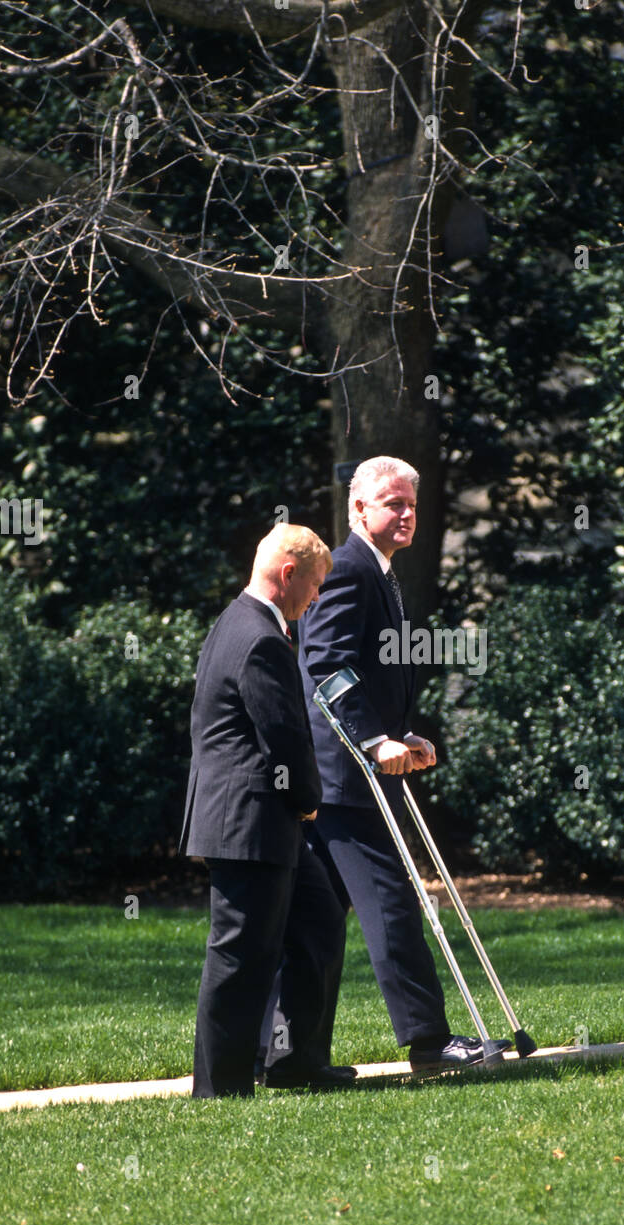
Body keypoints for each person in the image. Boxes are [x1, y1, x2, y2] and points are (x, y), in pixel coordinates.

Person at [297, 456, 505, 1071]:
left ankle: (286, 1055)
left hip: (348, 769)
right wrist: (371, 742)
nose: (408, 513)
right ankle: (431, 1044)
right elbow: (326, 665)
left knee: (315, 919)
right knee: (391, 902)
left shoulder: (378, 572)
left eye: (412, 503)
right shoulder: (351, 569)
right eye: (394, 503)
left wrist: (400, 733)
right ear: (359, 509)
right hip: (349, 774)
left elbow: (359, 671)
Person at [180, 523, 353, 1097]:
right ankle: (220, 1088)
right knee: (239, 956)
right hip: (249, 824)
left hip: (254, 820)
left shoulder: (237, 623)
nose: (316, 598)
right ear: (289, 574)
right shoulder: (260, 638)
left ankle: (294, 1059)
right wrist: (307, 802)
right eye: (316, 585)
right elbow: (282, 735)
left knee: (320, 919)